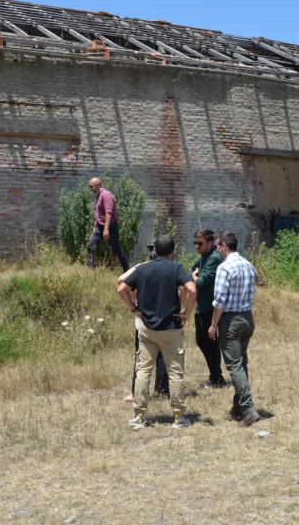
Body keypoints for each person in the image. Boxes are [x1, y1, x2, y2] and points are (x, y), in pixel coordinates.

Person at [118, 235, 196, 429]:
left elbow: (122, 288)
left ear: (154, 251)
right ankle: (179, 417)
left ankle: (139, 416)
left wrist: (134, 309)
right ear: (172, 251)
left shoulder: (143, 268)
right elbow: (192, 289)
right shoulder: (177, 268)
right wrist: (186, 313)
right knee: (175, 372)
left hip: (147, 328)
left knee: (143, 370)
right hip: (171, 328)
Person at [207, 232, 261, 427]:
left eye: (217, 246)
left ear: (223, 246)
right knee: (241, 362)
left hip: (231, 321)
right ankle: (238, 406)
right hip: (247, 318)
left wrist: (213, 324)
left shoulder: (224, 268)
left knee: (234, 366)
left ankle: (248, 409)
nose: (216, 250)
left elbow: (220, 300)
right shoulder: (249, 265)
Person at [118, 261, 169, 403]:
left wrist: (134, 297)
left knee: (142, 358)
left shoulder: (141, 270)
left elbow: (121, 280)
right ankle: (163, 390)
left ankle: (138, 392)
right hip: (164, 318)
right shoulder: (169, 268)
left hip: (144, 319)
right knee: (163, 356)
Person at [191, 229, 227, 389]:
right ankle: (215, 375)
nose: (197, 246)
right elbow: (191, 272)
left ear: (210, 244)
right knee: (201, 340)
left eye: (200, 243)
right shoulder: (203, 257)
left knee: (210, 342)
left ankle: (216, 377)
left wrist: (195, 277)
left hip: (209, 308)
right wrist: (194, 275)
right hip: (201, 306)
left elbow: (200, 282)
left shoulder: (213, 259)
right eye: (195, 243)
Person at [87, 177, 130, 272]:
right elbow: (98, 215)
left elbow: (108, 213)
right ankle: (91, 270)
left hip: (110, 227)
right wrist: (93, 231)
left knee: (117, 250)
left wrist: (106, 229)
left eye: (91, 186)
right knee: (91, 246)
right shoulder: (98, 196)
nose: (90, 189)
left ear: (97, 185)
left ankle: (127, 271)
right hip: (99, 227)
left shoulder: (106, 195)